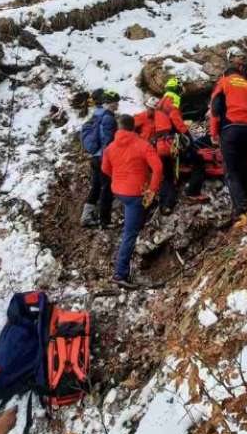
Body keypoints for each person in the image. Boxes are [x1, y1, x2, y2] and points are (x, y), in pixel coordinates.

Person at [101, 115, 163, 288]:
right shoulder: (142, 145)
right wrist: (152, 190)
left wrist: (119, 179)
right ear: (133, 127)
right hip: (136, 194)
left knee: (134, 220)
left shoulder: (110, 147)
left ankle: (139, 223)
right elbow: (158, 168)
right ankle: (120, 273)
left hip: (119, 191)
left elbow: (105, 168)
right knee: (130, 233)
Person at [210, 66, 247, 221]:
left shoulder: (223, 83)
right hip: (246, 133)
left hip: (229, 132)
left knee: (231, 171)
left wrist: (213, 134)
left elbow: (215, 110)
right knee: (242, 169)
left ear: (225, 74)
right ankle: (246, 205)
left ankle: (241, 211)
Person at [152, 79, 207, 211]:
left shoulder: (160, 102)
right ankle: (192, 192)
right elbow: (175, 118)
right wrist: (187, 135)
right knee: (199, 161)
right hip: (171, 143)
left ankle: (165, 205)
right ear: (176, 88)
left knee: (168, 175)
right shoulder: (172, 98)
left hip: (161, 144)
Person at [80, 89, 119, 228]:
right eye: (115, 103)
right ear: (108, 102)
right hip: (104, 158)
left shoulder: (96, 115)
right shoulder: (108, 118)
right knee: (107, 188)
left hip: (95, 157)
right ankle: (105, 221)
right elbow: (108, 141)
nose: (117, 105)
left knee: (96, 187)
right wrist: (111, 159)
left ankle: (86, 217)